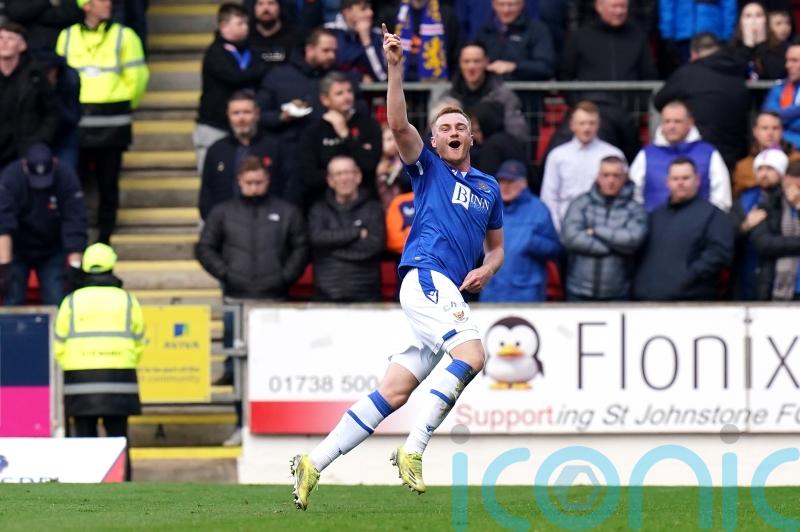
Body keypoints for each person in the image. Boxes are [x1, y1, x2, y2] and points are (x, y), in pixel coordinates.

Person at [290, 24, 504, 510]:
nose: (453, 132)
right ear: (433, 139)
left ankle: (313, 463)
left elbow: (497, 249)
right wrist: (394, 68)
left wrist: (488, 270)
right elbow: (398, 124)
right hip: (426, 277)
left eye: (460, 126)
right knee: (472, 356)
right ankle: (414, 450)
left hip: (448, 287)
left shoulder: (489, 187)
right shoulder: (428, 168)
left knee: (395, 391)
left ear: (473, 135)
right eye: (444, 128)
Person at [56, 0, 149, 244]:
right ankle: (79, 235)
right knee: (76, 183)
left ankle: (105, 237)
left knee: (108, 183)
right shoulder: (66, 36)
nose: (108, 5)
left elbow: (137, 77)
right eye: (101, 1)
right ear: (87, 6)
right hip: (77, 122)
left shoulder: (125, 36)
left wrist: (121, 100)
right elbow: (59, 77)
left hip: (112, 120)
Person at [54, 242, 145, 481]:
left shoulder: (71, 301)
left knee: (84, 440)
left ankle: (86, 484)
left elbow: (59, 344)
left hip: (79, 379)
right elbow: (139, 340)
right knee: (119, 438)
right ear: (112, 265)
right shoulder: (127, 300)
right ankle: (123, 483)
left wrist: (75, 363)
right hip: (119, 377)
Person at [196, 155, 308, 300]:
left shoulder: (287, 212)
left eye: (258, 182)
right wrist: (226, 274)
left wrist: (284, 277)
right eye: (249, 183)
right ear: (239, 181)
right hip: (235, 294)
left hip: (276, 295)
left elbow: (302, 247)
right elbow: (205, 248)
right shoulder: (222, 212)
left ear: (267, 180)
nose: (254, 187)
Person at [633, 157, 734, 300]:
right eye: (675, 179)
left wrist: (687, 277)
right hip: (648, 300)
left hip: (691, 302)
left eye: (686, 178)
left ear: (697, 180)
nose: (680, 183)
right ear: (667, 182)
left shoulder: (713, 215)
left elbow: (719, 254)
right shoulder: (655, 216)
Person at [0, 143, 87, 305]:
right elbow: (3, 225)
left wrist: (75, 266)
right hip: (17, 249)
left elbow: (75, 221)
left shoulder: (66, 176)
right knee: (12, 300)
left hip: (52, 249)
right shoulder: (10, 177)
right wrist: (3, 268)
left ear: (54, 164)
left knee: (56, 299)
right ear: (25, 166)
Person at [653, 33, 749, 173]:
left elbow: (659, 101)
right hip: (732, 154)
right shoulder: (738, 76)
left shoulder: (687, 74)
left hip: (695, 154)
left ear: (694, 54)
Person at [194, 3, 267, 175]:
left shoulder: (253, 51)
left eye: (247, 23)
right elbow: (235, 77)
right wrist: (259, 70)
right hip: (214, 126)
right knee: (215, 175)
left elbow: (275, 56)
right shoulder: (215, 53)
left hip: (243, 127)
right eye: (240, 23)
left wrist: (264, 64)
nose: (246, 28)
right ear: (224, 26)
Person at [561, 155, 647, 300]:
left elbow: (633, 240)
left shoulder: (635, 209)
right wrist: (615, 248)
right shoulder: (581, 203)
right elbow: (570, 237)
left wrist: (595, 231)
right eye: (605, 175)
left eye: (616, 176)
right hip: (578, 291)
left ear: (625, 178)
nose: (611, 180)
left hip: (617, 293)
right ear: (597, 177)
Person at [629, 100, 731, 213]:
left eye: (677, 121)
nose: (671, 126)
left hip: (700, 226)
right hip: (656, 227)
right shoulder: (646, 154)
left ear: (690, 122)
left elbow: (722, 199)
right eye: (667, 121)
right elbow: (633, 195)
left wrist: (707, 223)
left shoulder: (709, 153)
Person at [480, 159, 560, 302]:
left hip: (527, 293)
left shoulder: (538, 209)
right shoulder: (488, 207)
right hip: (492, 290)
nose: (505, 187)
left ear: (524, 183)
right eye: (502, 181)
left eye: (510, 182)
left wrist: (530, 241)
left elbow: (554, 250)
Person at [297, 72, 382, 206]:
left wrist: (345, 134)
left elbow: (369, 165)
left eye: (349, 91)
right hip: (323, 204)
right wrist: (344, 175)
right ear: (325, 99)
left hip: (364, 202)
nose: (347, 97)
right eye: (339, 93)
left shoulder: (369, 125)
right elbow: (309, 176)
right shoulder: (313, 131)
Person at [199, 90, 287, 220]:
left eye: (247, 112)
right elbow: (206, 193)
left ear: (257, 114)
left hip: (269, 224)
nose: (241, 118)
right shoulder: (216, 150)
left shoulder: (276, 147)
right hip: (226, 226)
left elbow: (289, 187)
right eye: (236, 113)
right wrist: (215, 223)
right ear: (228, 115)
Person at [308, 156, 385, 301]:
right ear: (330, 180)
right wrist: (356, 232)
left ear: (358, 176)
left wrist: (331, 248)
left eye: (348, 173)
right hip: (326, 296)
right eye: (338, 174)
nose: (344, 179)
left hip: (366, 297)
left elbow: (374, 246)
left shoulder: (373, 209)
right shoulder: (319, 209)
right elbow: (317, 239)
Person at [540, 100, 625, 232]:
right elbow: (549, 197)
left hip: (604, 227)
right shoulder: (557, 156)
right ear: (572, 125)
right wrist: (557, 229)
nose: (587, 128)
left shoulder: (614, 154)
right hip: (565, 226)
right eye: (582, 123)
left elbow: (624, 193)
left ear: (598, 125)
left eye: (591, 123)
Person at [441, 42, 529, 143]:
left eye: (477, 61)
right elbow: (434, 134)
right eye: (466, 61)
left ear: (486, 62)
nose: (471, 67)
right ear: (460, 64)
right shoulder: (448, 97)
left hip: (493, 151)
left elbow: (518, 134)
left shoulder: (504, 96)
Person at [730, 148, 787, 300]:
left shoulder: (788, 199)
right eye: (760, 169)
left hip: (780, 271)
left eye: (770, 169)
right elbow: (728, 234)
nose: (764, 174)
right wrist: (745, 227)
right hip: (747, 270)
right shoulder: (743, 200)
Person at [0, 23, 58, 170]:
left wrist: (38, 143)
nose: (4, 42)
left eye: (11, 38)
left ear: (22, 46)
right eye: (0, 38)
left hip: (22, 154)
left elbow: (51, 112)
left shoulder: (36, 76)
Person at [750, 159, 800, 300]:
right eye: (792, 186)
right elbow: (764, 244)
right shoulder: (769, 204)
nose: (795, 192)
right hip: (777, 285)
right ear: (784, 181)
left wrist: (799, 205)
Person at [381, 0, 461, 82]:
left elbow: (456, 53)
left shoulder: (446, 15)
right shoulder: (392, 13)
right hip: (400, 81)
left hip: (436, 85)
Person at [475, 0, 555, 82]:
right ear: (493, 5)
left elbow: (546, 67)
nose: (506, 10)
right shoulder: (485, 32)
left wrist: (514, 67)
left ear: (522, 4)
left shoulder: (537, 30)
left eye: (512, 5)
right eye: (501, 4)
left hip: (524, 91)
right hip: (491, 91)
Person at [325, 0, 387, 81]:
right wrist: (359, 76)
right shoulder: (329, 31)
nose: (370, 13)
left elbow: (382, 76)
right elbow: (332, 68)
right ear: (347, 13)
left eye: (370, 8)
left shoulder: (377, 34)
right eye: (363, 9)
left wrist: (366, 42)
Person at [468, 100, 527, 179]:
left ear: (487, 125)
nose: (474, 136)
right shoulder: (508, 139)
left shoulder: (491, 146)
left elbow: (486, 180)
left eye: (477, 130)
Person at [763, 39, 800, 150]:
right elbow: (771, 116)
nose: (788, 65)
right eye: (787, 60)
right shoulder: (779, 88)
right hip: (782, 149)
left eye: (794, 60)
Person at [6, 0, 82, 52]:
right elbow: (17, 12)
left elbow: (72, 15)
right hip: (27, 49)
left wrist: (34, 15)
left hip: (57, 47)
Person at [249, 0, 303, 68]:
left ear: (280, 7)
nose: (266, 8)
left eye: (271, 3)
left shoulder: (296, 36)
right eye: (260, 4)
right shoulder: (245, 36)